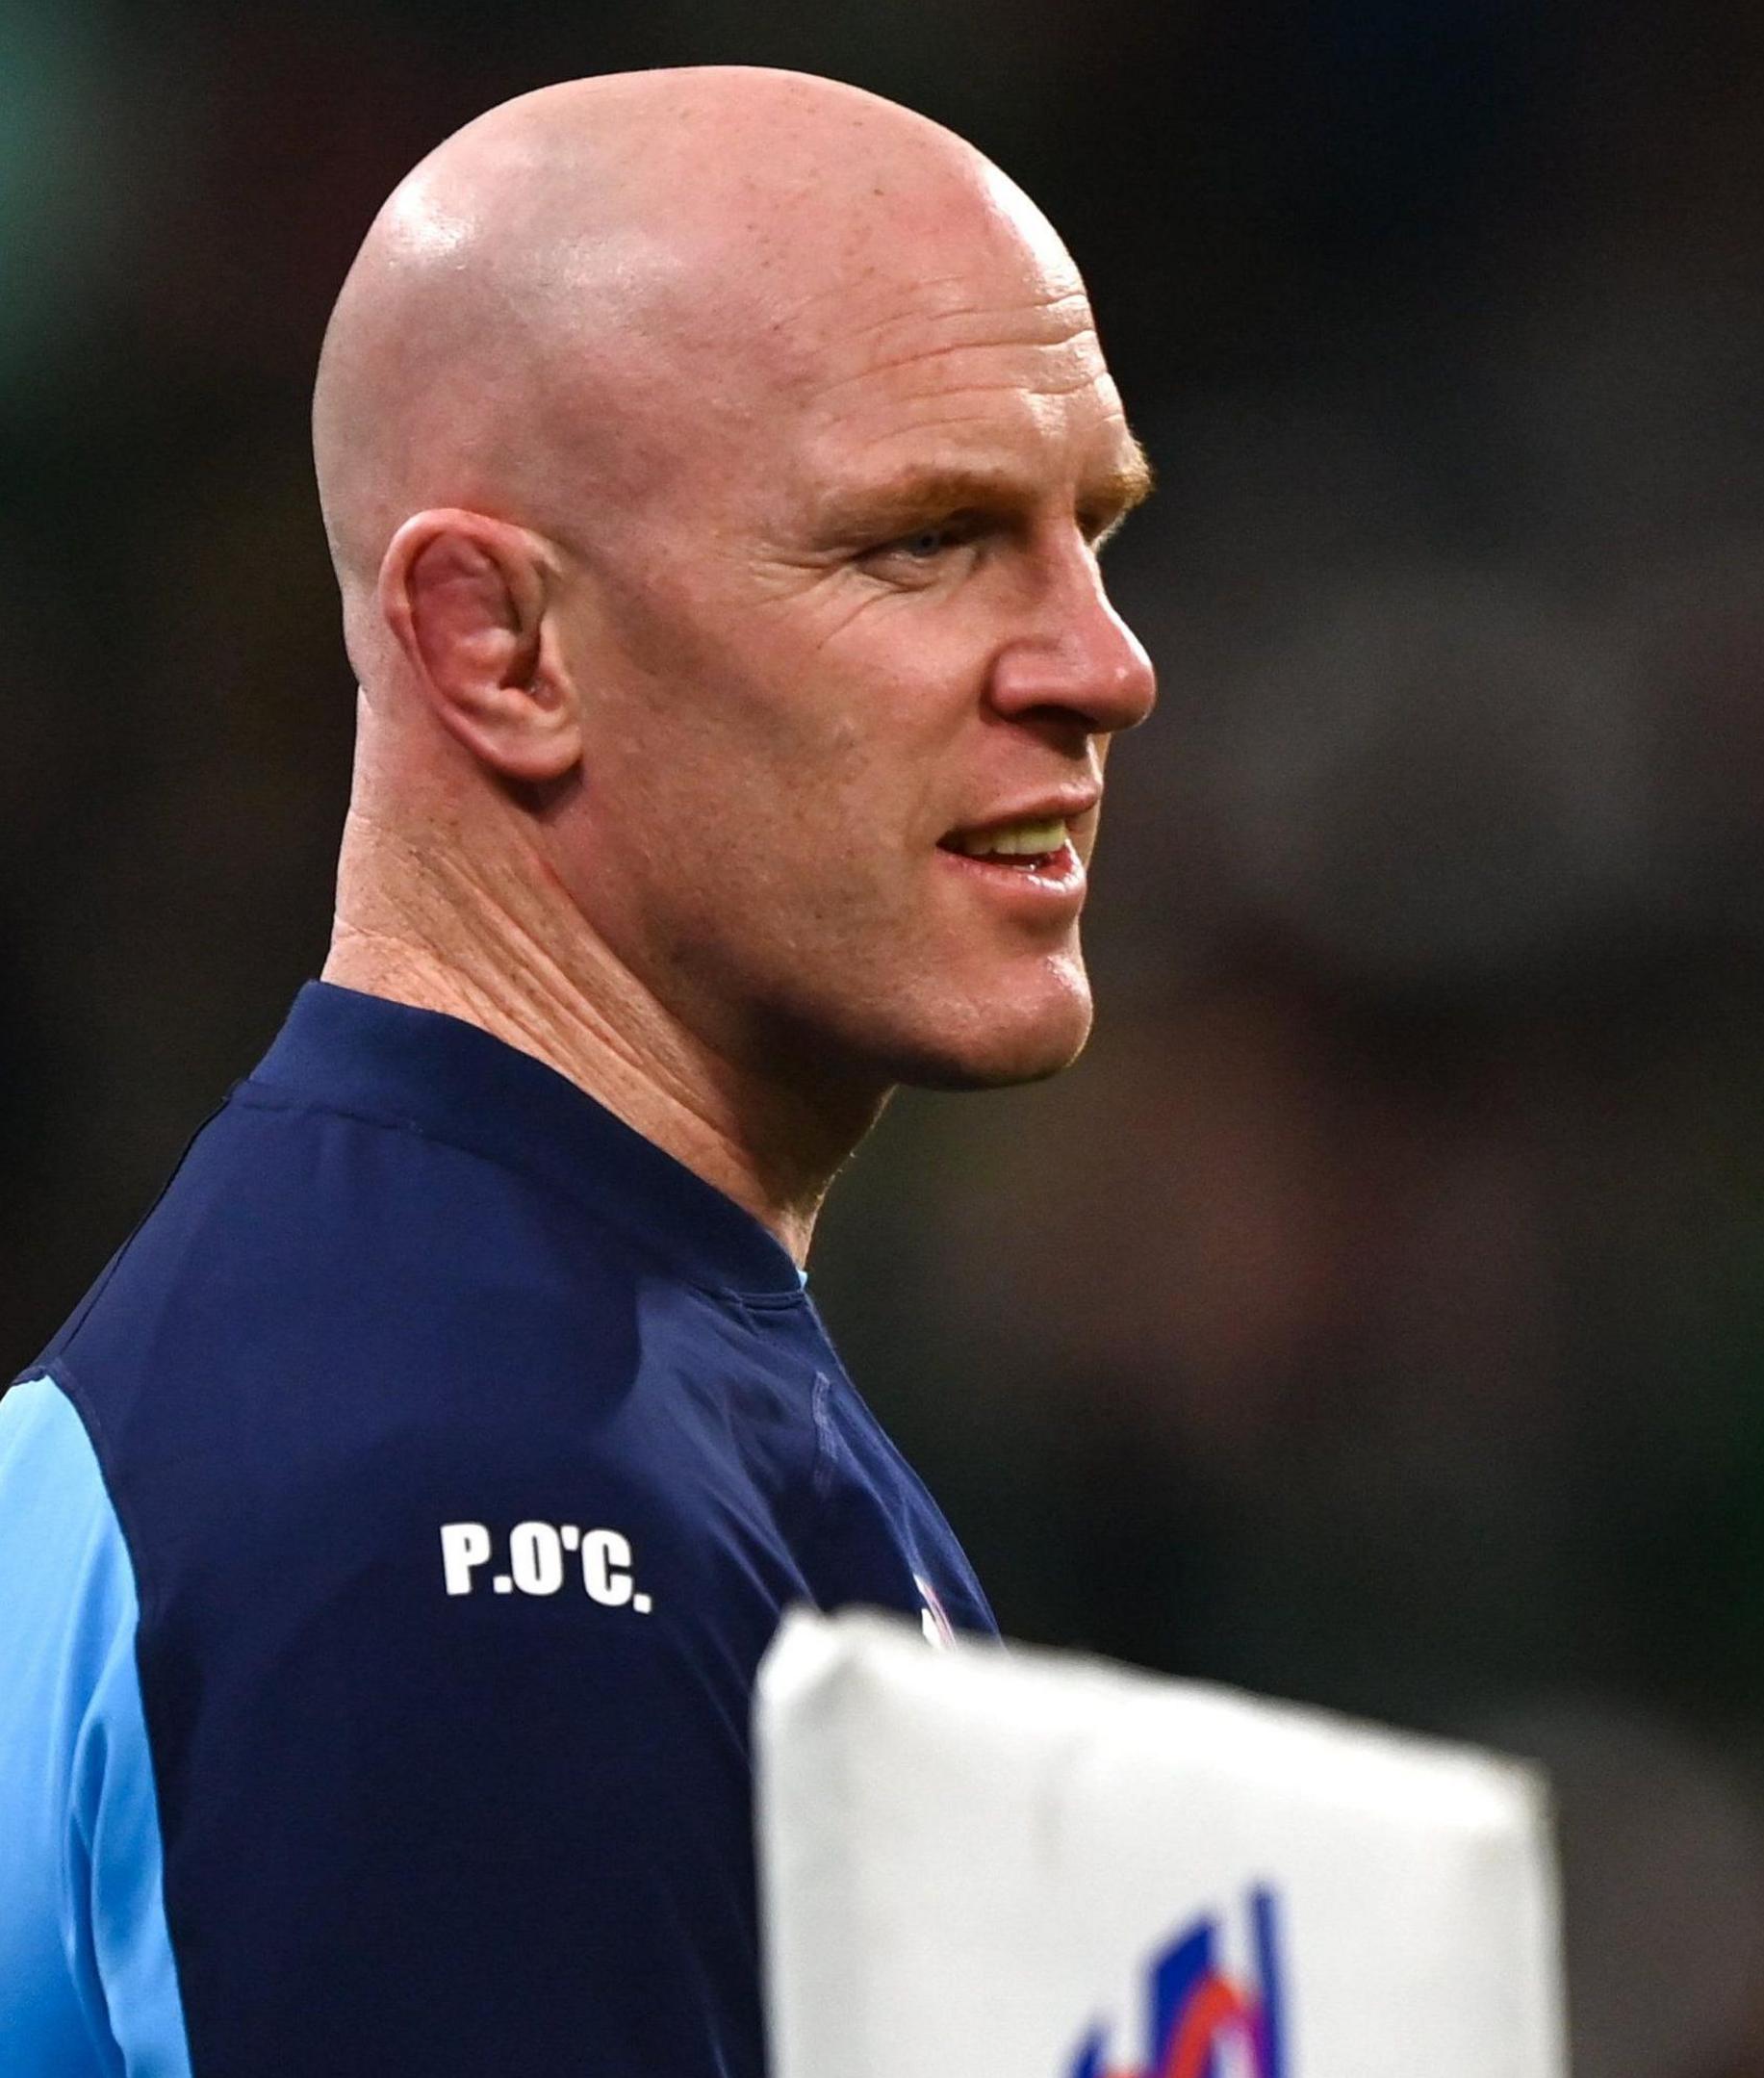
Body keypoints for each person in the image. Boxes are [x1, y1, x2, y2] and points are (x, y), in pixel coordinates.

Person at [0, 67, 1154, 2075]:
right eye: (929, 540)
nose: (1100, 661)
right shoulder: (471, 1490)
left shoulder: (508, 1354)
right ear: (499, 646)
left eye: (1093, 531)